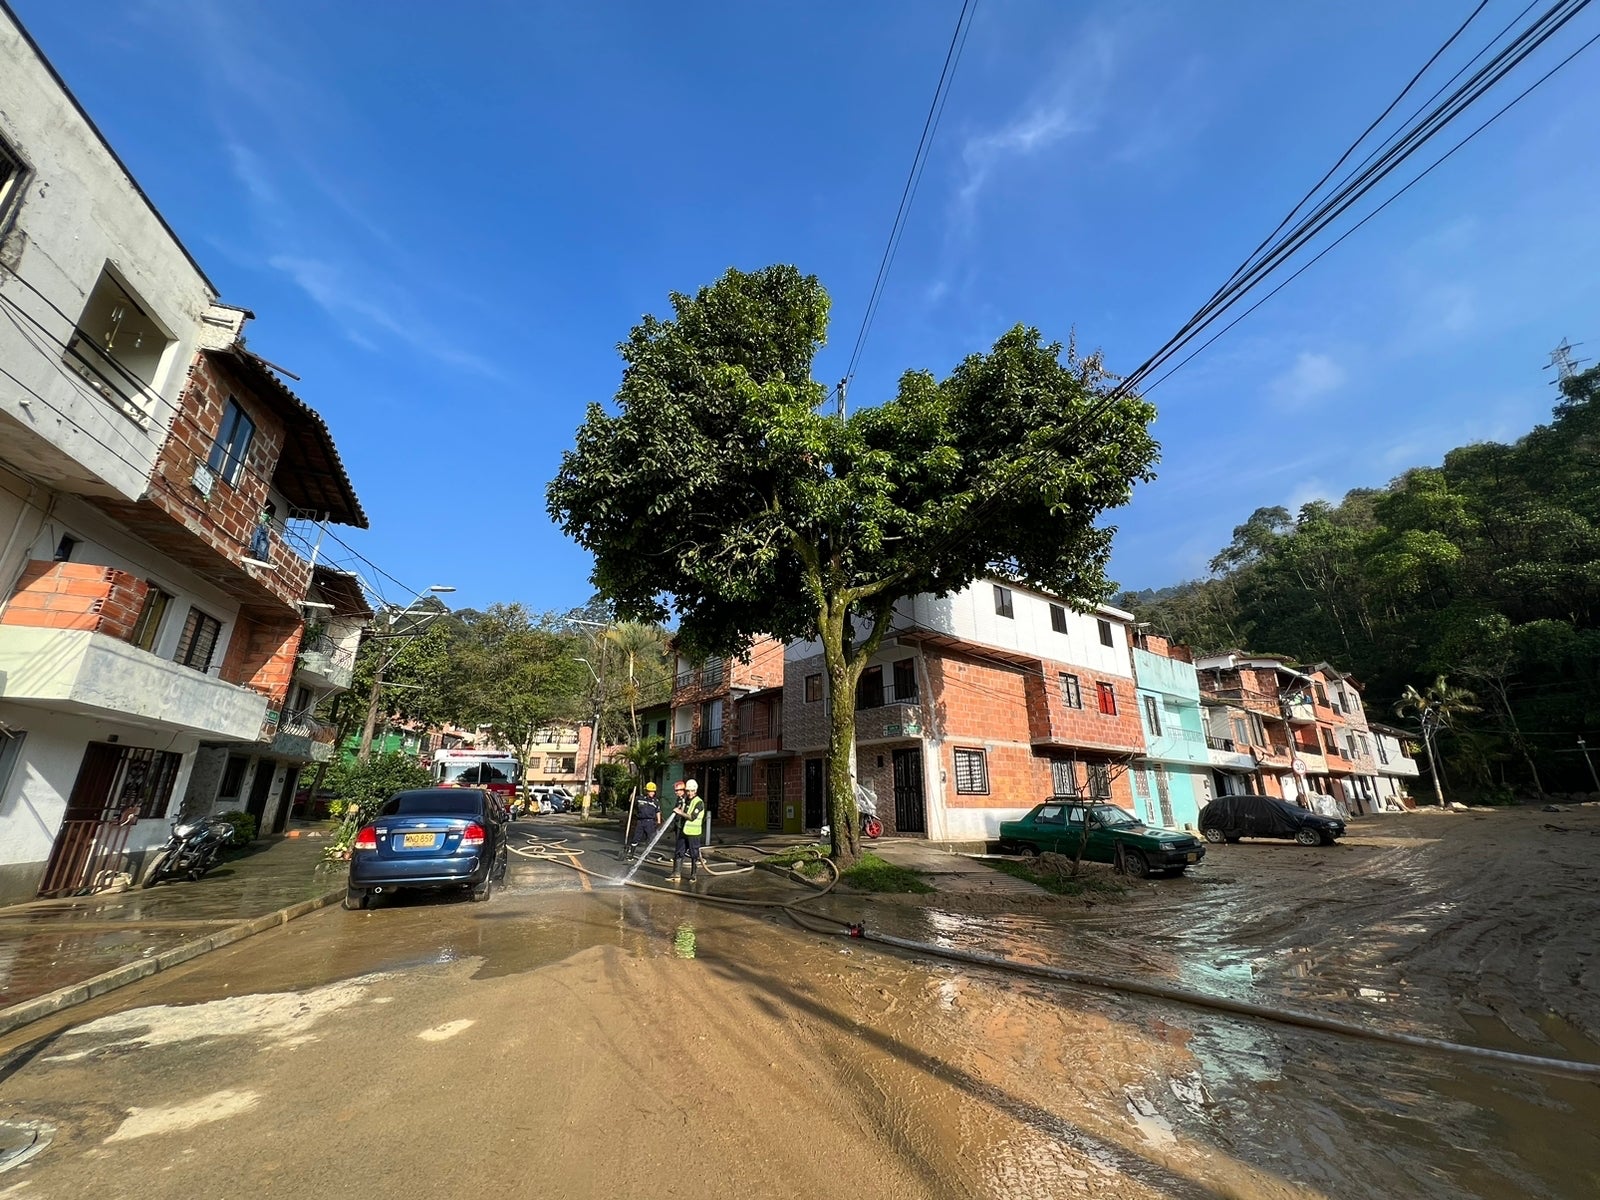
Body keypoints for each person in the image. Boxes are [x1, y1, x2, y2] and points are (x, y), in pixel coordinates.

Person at [669, 778, 706, 883]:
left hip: (693, 833)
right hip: (683, 831)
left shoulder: (699, 802)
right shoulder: (686, 800)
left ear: (695, 791)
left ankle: (693, 875)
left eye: (692, 791)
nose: (690, 793)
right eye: (688, 791)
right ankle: (676, 873)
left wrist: (680, 812)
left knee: (694, 854)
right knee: (679, 852)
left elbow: (692, 817)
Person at [629, 782, 661, 860]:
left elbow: (658, 811)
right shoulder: (640, 798)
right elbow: (631, 802)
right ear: (646, 791)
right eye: (650, 791)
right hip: (640, 821)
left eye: (653, 791)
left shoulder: (655, 801)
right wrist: (632, 795)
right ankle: (631, 854)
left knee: (649, 839)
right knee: (636, 838)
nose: (652, 793)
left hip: (650, 822)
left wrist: (659, 821)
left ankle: (647, 855)